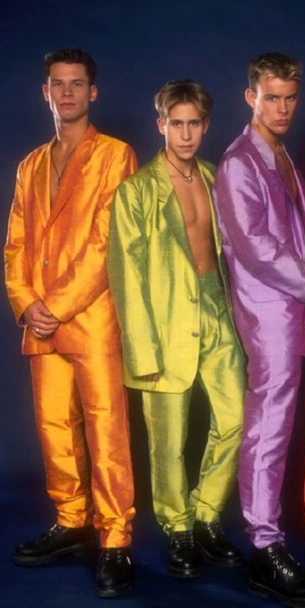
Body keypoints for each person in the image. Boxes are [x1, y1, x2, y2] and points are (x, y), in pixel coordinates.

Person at [4, 47, 137, 598]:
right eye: (57, 84)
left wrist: (54, 306)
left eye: (77, 84)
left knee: (106, 430)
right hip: (40, 320)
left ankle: (115, 538)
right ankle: (72, 520)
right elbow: (15, 244)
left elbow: (108, 244)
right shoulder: (30, 165)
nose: (67, 93)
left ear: (92, 92)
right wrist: (25, 302)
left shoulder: (116, 155)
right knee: (54, 427)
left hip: (92, 318)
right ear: (46, 92)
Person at [107, 80, 245, 579]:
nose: (185, 134)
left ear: (206, 126)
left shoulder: (216, 176)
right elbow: (125, 275)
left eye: (194, 124)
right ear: (161, 124)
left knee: (236, 419)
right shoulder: (136, 191)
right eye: (176, 124)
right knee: (167, 442)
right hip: (164, 322)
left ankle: (206, 514)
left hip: (217, 309)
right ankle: (178, 527)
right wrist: (143, 351)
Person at [213, 54, 305, 607]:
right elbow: (256, 248)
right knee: (267, 426)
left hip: (289, 310)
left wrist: (304, 295)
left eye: (289, 98)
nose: (282, 109)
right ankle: (265, 548)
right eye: (271, 98)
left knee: (277, 423)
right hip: (267, 312)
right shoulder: (239, 162)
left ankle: (269, 540)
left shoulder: (278, 153)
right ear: (250, 98)